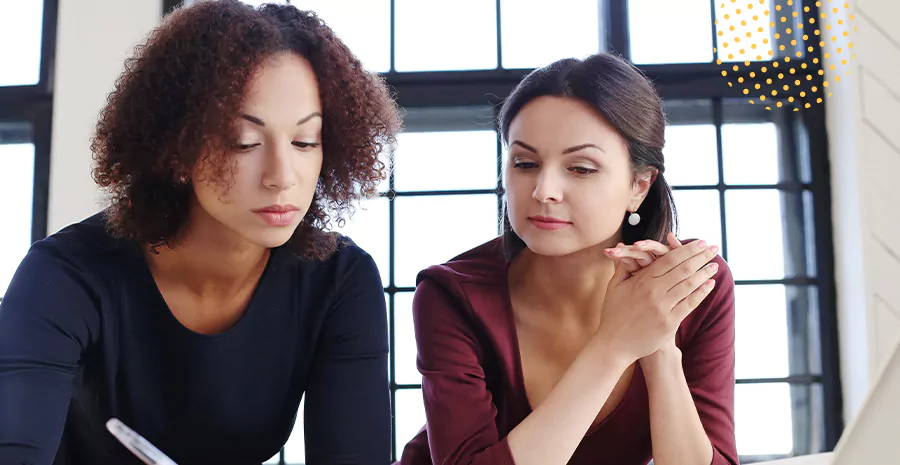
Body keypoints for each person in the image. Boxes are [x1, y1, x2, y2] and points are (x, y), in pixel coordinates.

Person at [0, 1, 401, 464]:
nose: (281, 175)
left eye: (304, 142)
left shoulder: (338, 282)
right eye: (243, 142)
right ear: (177, 148)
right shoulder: (67, 275)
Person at [397, 53, 738, 465]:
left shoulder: (695, 281)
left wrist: (659, 346)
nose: (544, 191)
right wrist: (613, 346)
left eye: (580, 168)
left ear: (639, 185)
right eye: (525, 163)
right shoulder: (451, 294)